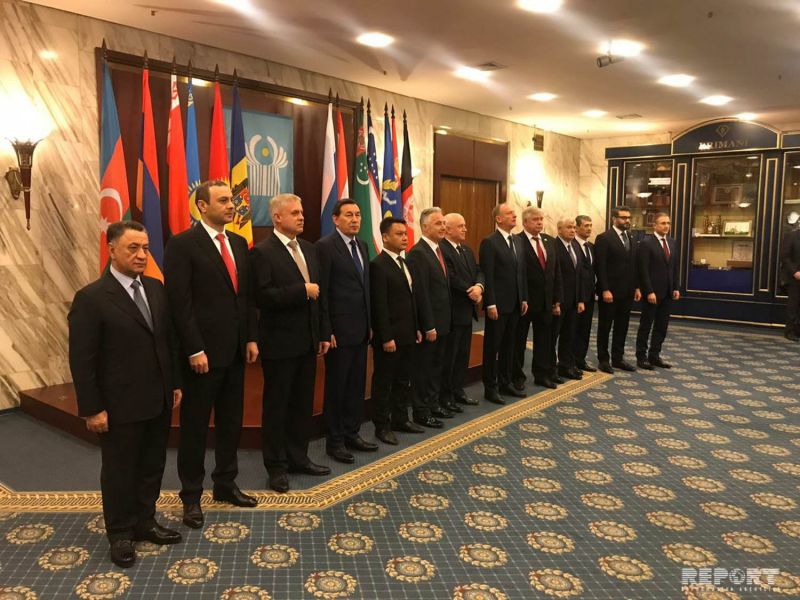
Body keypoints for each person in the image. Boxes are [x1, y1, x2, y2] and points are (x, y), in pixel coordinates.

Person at [68, 221, 182, 568]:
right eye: (133, 248)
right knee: (120, 470)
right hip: (118, 405)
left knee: (152, 465)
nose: (142, 254)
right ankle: (119, 533)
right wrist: (92, 408)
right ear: (112, 250)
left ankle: (145, 521)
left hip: (157, 398)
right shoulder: (91, 298)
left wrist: (174, 383)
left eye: (145, 248)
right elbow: (82, 359)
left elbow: (167, 341)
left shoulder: (156, 288)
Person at [164, 180, 259, 530]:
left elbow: (245, 297)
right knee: (195, 427)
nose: (231, 205)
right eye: (222, 200)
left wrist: (250, 337)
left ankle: (225, 483)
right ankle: (191, 496)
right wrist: (194, 348)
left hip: (235, 351)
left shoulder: (238, 243)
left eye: (231, 200)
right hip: (201, 356)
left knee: (231, 423)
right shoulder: (182, 244)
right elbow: (180, 303)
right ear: (202, 206)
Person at [250, 194, 331, 493]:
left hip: (308, 342)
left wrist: (323, 333)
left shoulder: (309, 249)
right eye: (294, 213)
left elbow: (320, 296)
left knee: (301, 405)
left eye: (302, 212)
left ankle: (299, 457)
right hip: (280, 344)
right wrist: (301, 290)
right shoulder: (262, 252)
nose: (301, 217)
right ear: (277, 218)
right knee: (277, 407)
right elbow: (262, 296)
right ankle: (276, 467)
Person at [317, 199, 378, 464]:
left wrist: (370, 323)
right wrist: (326, 329)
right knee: (337, 388)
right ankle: (335, 441)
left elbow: (365, 289)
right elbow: (323, 292)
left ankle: (352, 433)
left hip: (361, 330)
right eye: (349, 215)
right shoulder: (325, 247)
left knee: (356, 386)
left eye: (358, 214)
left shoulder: (362, 245)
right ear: (335, 219)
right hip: (338, 333)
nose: (355, 219)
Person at [370, 217, 426, 444]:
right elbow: (379, 305)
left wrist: (417, 327)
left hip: (408, 333)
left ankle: (401, 419)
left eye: (405, 233)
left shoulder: (405, 262)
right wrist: (386, 337)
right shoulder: (378, 265)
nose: (404, 238)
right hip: (390, 337)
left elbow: (411, 299)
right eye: (399, 234)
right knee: (384, 382)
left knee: (404, 380)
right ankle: (382, 426)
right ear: (385, 237)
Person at [407, 207, 456, 426]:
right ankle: (421, 411)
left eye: (444, 223)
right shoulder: (418, 253)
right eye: (438, 223)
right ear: (425, 227)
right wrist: (428, 326)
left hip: (443, 320)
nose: (443, 227)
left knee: (437, 366)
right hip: (431, 324)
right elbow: (422, 293)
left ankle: (433, 404)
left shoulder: (438, 250)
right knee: (423, 369)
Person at [480, 203, 528, 404]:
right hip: (498, 305)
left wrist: (523, 297)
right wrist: (490, 303)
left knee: (510, 345)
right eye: (509, 214)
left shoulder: (517, 241)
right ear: (498, 219)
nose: (514, 216)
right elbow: (488, 274)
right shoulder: (489, 242)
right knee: (493, 347)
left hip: (516, 303)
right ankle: (490, 388)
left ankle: (505, 382)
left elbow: (521, 273)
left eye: (514, 214)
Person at [512, 206, 561, 390]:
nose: (540, 222)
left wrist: (556, 299)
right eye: (535, 220)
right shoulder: (516, 241)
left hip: (546, 301)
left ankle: (541, 374)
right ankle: (517, 376)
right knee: (519, 341)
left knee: (544, 340)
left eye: (541, 219)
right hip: (525, 301)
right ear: (525, 222)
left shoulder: (550, 241)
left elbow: (555, 272)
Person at [440, 212, 483, 406]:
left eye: (465, 225)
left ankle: (458, 390)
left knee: (463, 356)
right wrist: (470, 290)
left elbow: (478, 271)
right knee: (450, 357)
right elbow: (451, 277)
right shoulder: (442, 249)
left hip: (467, 311)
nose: (465, 229)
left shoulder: (466, 250)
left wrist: (479, 287)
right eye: (461, 226)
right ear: (448, 229)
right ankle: (446, 395)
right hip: (453, 313)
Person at [594, 205, 641, 373]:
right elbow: (600, 266)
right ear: (614, 219)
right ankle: (603, 359)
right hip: (610, 292)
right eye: (623, 217)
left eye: (628, 217)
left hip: (627, 291)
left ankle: (618, 358)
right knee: (605, 326)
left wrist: (637, 287)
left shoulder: (632, 237)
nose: (627, 220)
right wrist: (605, 289)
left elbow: (634, 265)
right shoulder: (604, 238)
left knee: (622, 326)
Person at [635, 212, 680, 369]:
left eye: (668, 223)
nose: (666, 226)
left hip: (667, 292)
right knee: (646, 325)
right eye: (663, 223)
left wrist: (675, 287)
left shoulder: (672, 242)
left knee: (662, 326)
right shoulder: (646, 243)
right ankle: (641, 357)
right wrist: (649, 291)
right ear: (654, 225)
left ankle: (655, 355)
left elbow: (674, 267)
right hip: (652, 293)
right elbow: (643, 270)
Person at [551, 218, 586, 381]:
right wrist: (556, 301)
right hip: (559, 301)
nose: (572, 230)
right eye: (569, 227)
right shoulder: (553, 247)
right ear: (559, 229)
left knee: (569, 335)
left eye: (574, 227)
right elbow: (553, 277)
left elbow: (579, 275)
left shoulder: (575, 247)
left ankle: (566, 366)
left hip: (573, 301)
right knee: (552, 337)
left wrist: (580, 300)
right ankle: (551, 369)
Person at [573, 215, 597, 372]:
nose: (589, 228)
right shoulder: (572, 245)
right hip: (575, 296)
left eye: (590, 225)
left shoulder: (591, 246)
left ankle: (580, 359)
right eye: (586, 225)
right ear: (577, 228)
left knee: (585, 329)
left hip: (589, 295)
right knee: (573, 330)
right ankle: (570, 361)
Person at [780, 225, 800, 341]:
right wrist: (795, 272)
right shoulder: (792, 236)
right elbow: (785, 257)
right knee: (794, 304)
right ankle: (790, 331)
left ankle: (798, 330)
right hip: (794, 277)